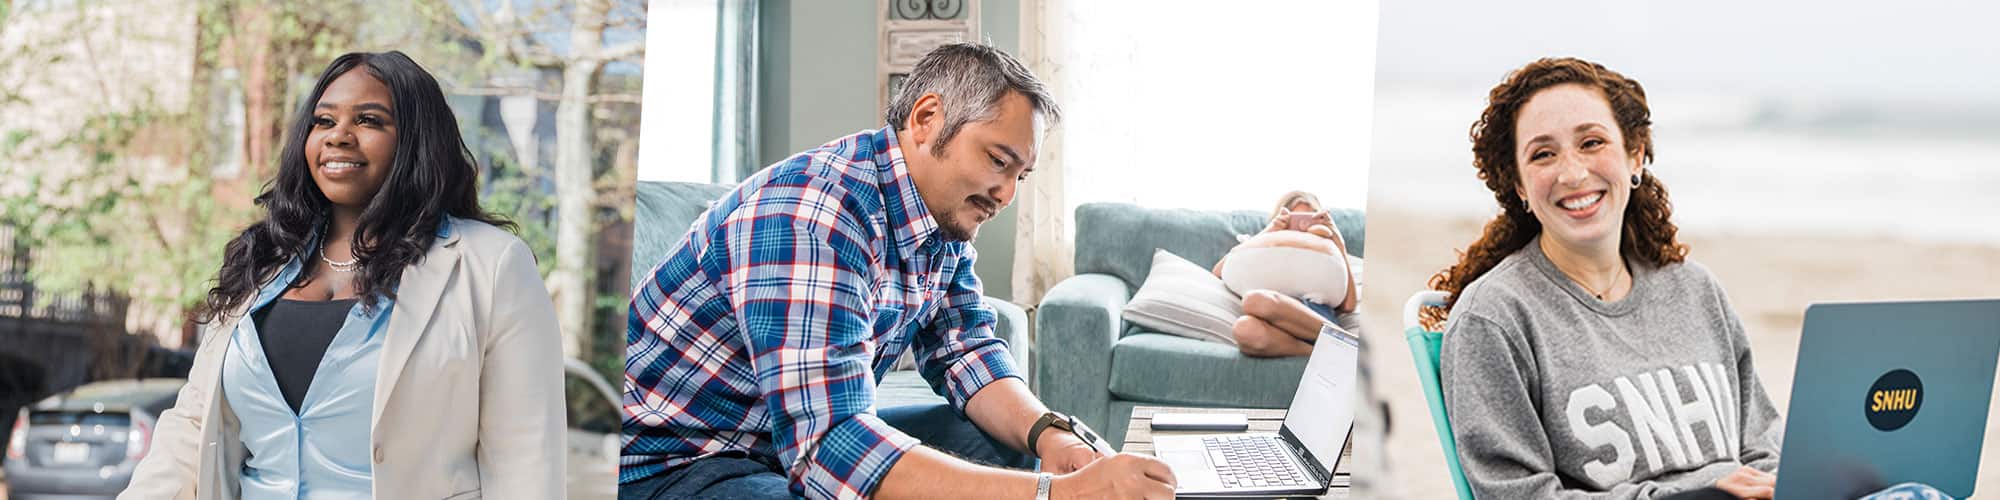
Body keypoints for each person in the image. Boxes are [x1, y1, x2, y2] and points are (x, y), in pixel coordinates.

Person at [620, 43, 1176, 500]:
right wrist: (1059, 494)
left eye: (1020, 176)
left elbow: (965, 350)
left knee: (1007, 448)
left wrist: (1051, 435)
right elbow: (830, 451)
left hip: (775, 442)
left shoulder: (939, 220)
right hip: (678, 460)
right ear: (927, 119)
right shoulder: (813, 216)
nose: (1007, 194)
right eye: (997, 161)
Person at [121, 51, 565, 500]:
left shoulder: (490, 265)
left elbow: (524, 461)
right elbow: (192, 428)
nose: (339, 136)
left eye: (369, 120)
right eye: (324, 121)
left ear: (416, 140)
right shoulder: (262, 261)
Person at [1424, 57, 1787, 500]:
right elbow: (1518, 495)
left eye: (1592, 143)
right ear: (1519, 186)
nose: (1573, 173)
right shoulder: (1493, 318)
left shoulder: (1695, 290)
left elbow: (1766, 449)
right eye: (1543, 154)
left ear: (1635, 155)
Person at [1212, 191, 1358, 357]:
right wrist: (1269, 232)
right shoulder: (1260, 244)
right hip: (1274, 330)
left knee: (1255, 300)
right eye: (1295, 220)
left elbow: (1348, 305)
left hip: (1314, 319)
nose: (1301, 228)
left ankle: (1341, 339)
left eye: (1308, 219)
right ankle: (1337, 351)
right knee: (1243, 329)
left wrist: (1338, 242)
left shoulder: (1327, 252)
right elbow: (1218, 273)